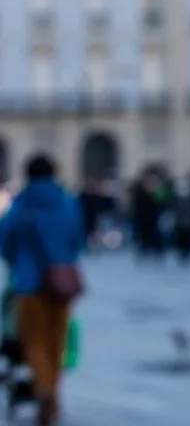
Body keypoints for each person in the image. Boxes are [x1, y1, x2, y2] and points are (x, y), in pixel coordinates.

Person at [0, 155, 84, 425]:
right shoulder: (66, 202)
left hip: (28, 283)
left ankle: (44, 389)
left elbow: (5, 240)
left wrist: (20, 261)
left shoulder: (22, 203)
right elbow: (78, 240)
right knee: (56, 342)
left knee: (33, 342)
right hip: (61, 283)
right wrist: (61, 258)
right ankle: (53, 400)